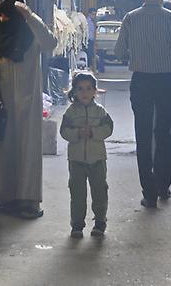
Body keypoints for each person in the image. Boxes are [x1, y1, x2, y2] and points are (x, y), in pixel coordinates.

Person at [114, 0, 171, 208]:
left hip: (140, 82)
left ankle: (148, 193)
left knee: (143, 134)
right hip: (164, 81)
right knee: (163, 132)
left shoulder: (130, 18)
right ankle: (163, 186)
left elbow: (119, 52)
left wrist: (136, 53)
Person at [0, 0, 57, 219]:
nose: (3, 19)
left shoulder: (32, 37)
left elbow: (51, 42)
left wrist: (30, 17)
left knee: (27, 151)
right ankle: (6, 198)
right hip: (0, 106)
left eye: (8, 15)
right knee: (3, 152)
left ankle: (28, 200)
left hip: (27, 104)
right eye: (1, 15)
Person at [60, 71, 114, 239]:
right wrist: (76, 133)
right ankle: (77, 225)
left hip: (97, 159)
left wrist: (94, 132)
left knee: (99, 191)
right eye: (80, 89)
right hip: (76, 160)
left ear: (95, 91)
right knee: (77, 193)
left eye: (89, 88)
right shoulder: (70, 113)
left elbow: (109, 129)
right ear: (74, 91)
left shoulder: (100, 112)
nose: (84, 92)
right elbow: (63, 131)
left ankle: (100, 222)